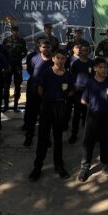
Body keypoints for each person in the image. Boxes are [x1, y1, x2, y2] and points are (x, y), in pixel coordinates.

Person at [29, 48, 74, 181]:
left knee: (58, 137)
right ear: (53, 59)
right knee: (43, 137)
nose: (60, 61)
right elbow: (40, 89)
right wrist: (49, 99)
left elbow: (71, 91)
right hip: (47, 106)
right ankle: (37, 167)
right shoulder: (46, 73)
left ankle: (58, 164)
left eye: (63, 58)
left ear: (66, 60)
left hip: (60, 107)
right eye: (58, 58)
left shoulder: (68, 75)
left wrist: (62, 98)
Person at [78, 57, 108, 181]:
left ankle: (106, 165)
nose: (103, 69)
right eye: (100, 67)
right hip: (93, 116)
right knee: (89, 142)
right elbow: (83, 99)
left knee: (106, 141)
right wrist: (93, 106)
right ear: (95, 68)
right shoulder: (90, 83)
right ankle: (85, 168)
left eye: (105, 67)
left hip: (107, 116)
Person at [23, 39, 53, 146]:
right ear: (39, 48)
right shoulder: (33, 58)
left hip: (48, 90)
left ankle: (46, 137)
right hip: (34, 89)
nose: (46, 49)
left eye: (48, 47)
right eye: (44, 47)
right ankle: (29, 136)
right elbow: (31, 71)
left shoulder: (54, 59)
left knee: (46, 116)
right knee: (32, 114)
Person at [68, 43, 93, 144]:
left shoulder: (92, 63)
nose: (85, 52)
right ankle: (74, 134)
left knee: (89, 116)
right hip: (78, 92)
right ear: (80, 52)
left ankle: (90, 136)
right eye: (83, 50)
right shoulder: (75, 64)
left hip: (90, 93)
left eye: (87, 50)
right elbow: (72, 78)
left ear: (89, 52)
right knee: (77, 115)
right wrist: (73, 90)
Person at [2, 25, 28, 112]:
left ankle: (15, 106)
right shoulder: (6, 40)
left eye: (16, 30)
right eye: (13, 30)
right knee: (6, 86)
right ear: (11, 31)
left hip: (17, 66)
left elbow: (25, 52)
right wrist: (5, 62)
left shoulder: (22, 41)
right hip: (8, 65)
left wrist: (20, 58)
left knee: (17, 86)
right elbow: (3, 52)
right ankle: (5, 105)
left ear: (18, 31)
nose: (15, 32)